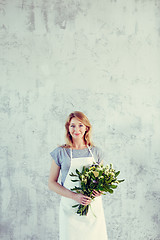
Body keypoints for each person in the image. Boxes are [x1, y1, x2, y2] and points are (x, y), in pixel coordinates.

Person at [48, 111, 108, 240]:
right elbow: (51, 183)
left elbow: (101, 181)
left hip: (93, 209)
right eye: (72, 125)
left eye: (80, 125)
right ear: (68, 128)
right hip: (70, 208)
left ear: (86, 128)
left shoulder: (96, 152)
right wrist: (75, 196)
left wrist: (99, 191)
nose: (77, 129)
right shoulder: (60, 152)